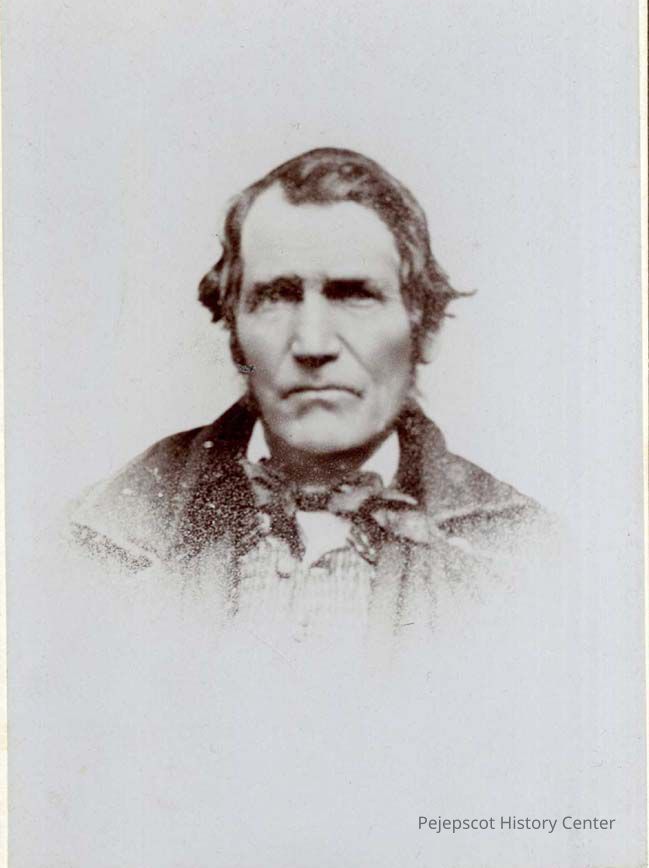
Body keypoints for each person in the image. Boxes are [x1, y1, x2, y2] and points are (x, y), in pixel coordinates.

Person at [70, 147, 543, 641]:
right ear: (234, 332)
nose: (313, 344)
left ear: (426, 330)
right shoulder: (98, 540)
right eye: (276, 297)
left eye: (355, 295)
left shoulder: (530, 557)